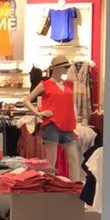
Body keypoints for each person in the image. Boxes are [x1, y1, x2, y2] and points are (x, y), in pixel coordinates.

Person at [28, 53, 82, 182]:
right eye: (65, 67)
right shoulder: (45, 84)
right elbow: (27, 100)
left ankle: (75, 185)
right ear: (56, 68)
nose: (67, 69)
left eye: (67, 67)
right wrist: (38, 113)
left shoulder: (69, 84)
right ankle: (51, 185)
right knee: (51, 161)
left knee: (74, 157)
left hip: (68, 124)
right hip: (52, 124)